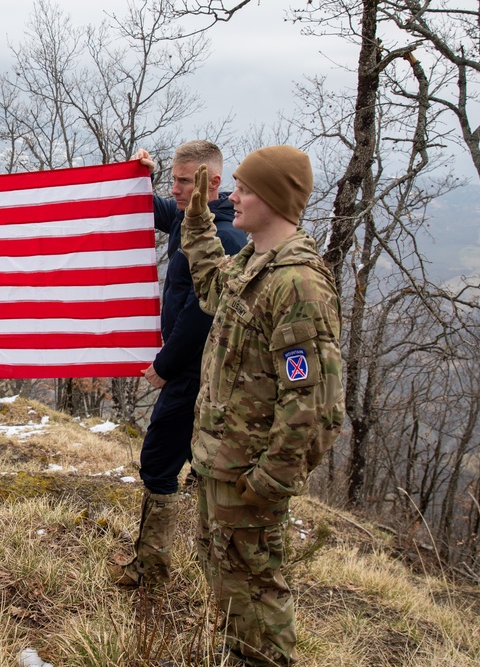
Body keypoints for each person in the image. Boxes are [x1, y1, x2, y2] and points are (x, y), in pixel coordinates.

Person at [180, 146, 345, 666]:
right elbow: (210, 286)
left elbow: (314, 406)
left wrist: (268, 481)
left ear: (273, 198)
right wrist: (198, 222)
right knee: (230, 587)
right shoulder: (253, 262)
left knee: (257, 591)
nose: (233, 196)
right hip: (221, 464)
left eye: (245, 189)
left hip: (249, 477)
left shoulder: (298, 285)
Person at [110, 141, 247, 587]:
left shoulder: (223, 237)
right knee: (178, 461)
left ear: (213, 183)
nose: (176, 190)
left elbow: (200, 314)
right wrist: (140, 177)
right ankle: (161, 561)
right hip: (188, 368)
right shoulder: (193, 220)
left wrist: (164, 365)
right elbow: (156, 212)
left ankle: (153, 566)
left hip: (194, 371)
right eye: (174, 179)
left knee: (158, 462)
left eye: (185, 181)